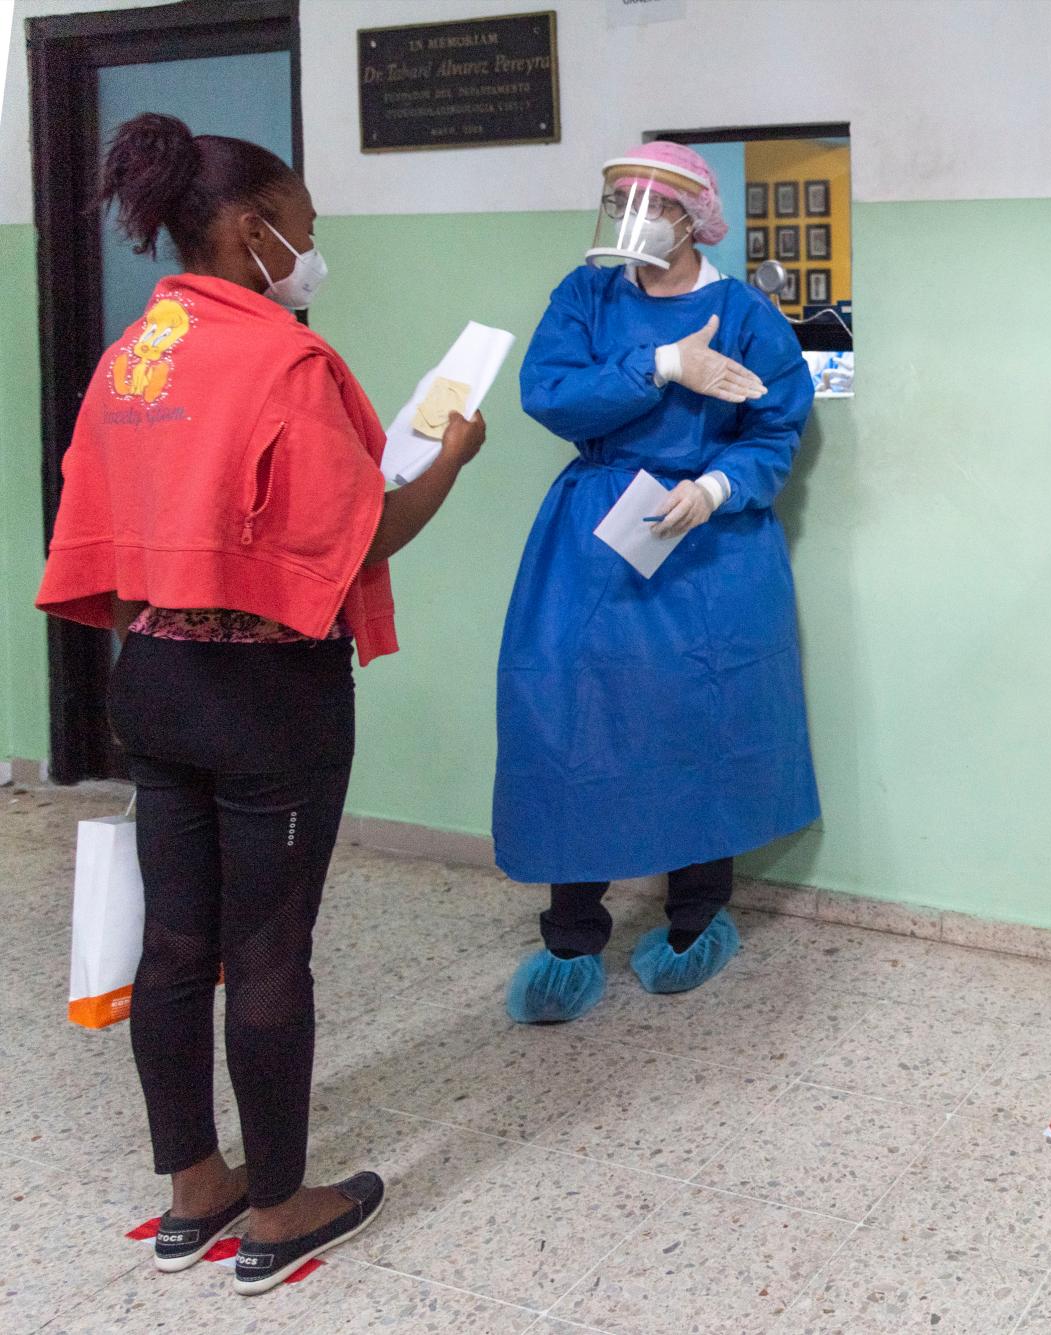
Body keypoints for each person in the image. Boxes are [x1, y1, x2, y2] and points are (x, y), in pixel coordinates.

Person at [36, 114, 483, 1292]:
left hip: (156, 684)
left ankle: (194, 1182)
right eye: (305, 228)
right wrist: (448, 460)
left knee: (177, 941)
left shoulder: (137, 353)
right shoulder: (285, 363)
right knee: (270, 949)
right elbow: (359, 536)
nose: (311, 249)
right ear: (252, 230)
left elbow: (99, 511)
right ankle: (281, 1207)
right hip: (266, 700)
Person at [495, 141, 817, 1023]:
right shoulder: (586, 295)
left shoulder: (746, 312)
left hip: (705, 541)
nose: (631, 214)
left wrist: (717, 486)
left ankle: (692, 918)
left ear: (693, 217)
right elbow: (549, 394)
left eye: (650, 200)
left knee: (698, 722)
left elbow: (775, 429)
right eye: (616, 197)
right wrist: (661, 366)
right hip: (594, 536)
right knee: (572, 718)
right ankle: (570, 932)